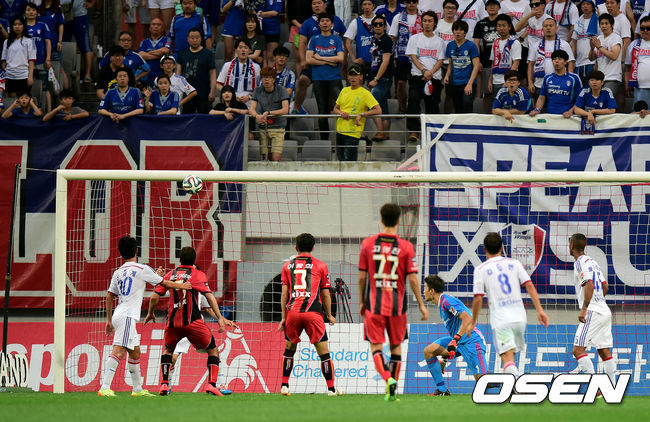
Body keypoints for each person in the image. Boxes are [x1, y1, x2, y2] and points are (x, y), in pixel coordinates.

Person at [97, 235, 190, 397]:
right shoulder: (142, 269)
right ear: (137, 251)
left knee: (135, 353)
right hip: (127, 316)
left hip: (119, 314)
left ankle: (137, 389)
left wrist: (108, 320)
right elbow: (164, 283)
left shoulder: (118, 272)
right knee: (119, 351)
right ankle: (104, 387)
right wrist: (182, 285)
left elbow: (110, 296)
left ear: (121, 253)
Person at [358, 203, 429, 402]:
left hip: (374, 305)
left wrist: (362, 301)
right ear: (399, 221)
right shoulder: (406, 247)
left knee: (376, 347)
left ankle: (387, 378)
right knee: (396, 346)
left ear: (381, 220)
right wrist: (421, 304)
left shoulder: (367, 244)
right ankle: (393, 390)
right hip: (398, 306)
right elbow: (413, 279)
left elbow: (362, 278)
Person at [145, 246, 236, 396]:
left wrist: (150, 312)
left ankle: (164, 384)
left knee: (168, 351)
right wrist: (220, 319)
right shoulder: (198, 275)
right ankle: (212, 385)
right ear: (194, 260)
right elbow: (209, 297)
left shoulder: (170, 274)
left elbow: (155, 296)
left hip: (173, 323)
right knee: (213, 350)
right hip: (193, 323)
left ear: (179, 259)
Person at [470, 232, 549, 378]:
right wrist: (540, 310)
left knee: (507, 357)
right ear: (502, 248)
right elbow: (529, 285)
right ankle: (514, 384)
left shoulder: (481, 269)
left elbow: (478, 299)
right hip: (520, 318)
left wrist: (473, 322)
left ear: (484, 249)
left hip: (501, 319)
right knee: (510, 356)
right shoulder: (515, 263)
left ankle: (517, 386)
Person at [278, 233, 342, 397]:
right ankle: (331, 389)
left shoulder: (287, 266)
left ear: (296, 248)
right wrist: (329, 315)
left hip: (293, 313)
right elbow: (326, 294)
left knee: (289, 350)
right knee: (324, 353)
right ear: (313, 248)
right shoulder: (320, 265)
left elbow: (284, 294)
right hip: (313, 313)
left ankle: (284, 386)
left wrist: (284, 317)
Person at [423, 275, 489, 396]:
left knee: (483, 382)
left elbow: (467, 318)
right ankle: (442, 390)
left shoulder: (446, 301)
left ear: (432, 291)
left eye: (425, 288)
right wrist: (444, 358)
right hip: (459, 342)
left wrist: (455, 340)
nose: (423, 291)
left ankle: (511, 386)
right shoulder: (442, 304)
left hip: (471, 341)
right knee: (429, 351)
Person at [568, 233, 617, 385]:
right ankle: (612, 388)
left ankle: (594, 387)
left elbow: (590, 284)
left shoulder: (579, 263)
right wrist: (599, 301)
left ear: (571, 246)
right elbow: (605, 286)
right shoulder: (593, 262)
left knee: (578, 350)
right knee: (604, 351)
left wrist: (585, 308)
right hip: (604, 310)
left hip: (593, 311)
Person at [292, 0, 347, 114]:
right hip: (314, 63)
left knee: (334, 89)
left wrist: (344, 58)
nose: (316, 6)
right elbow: (302, 42)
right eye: (314, 4)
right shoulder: (308, 23)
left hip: (333, 64)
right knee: (302, 80)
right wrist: (303, 60)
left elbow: (344, 39)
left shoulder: (336, 20)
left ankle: (334, 109)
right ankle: (296, 108)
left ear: (325, 4)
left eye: (319, 3)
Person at [406, 11, 446, 143]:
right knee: (413, 101)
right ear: (421, 23)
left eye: (430, 21)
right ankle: (414, 130)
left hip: (434, 78)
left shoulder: (440, 41)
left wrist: (430, 72)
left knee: (433, 105)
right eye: (425, 21)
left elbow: (440, 60)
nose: (427, 23)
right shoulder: (414, 38)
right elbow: (413, 57)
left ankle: (432, 132)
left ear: (434, 23)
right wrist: (424, 71)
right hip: (417, 76)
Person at [306, 12, 345, 140]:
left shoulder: (337, 39)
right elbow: (309, 60)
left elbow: (340, 58)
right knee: (322, 111)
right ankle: (324, 141)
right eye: (322, 21)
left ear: (332, 24)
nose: (325, 23)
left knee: (342, 108)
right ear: (319, 24)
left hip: (334, 79)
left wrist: (320, 57)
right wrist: (329, 61)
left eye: (327, 21)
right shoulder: (314, 39)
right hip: (318, 79)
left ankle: (343, 137)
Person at [333, 64, 381, 161]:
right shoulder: (344, 90)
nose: (353, 78)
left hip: (353, 133)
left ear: (361, 77)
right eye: (351, 75)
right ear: (347, 76)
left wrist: (362, 114)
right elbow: (335, 109)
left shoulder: (365, 93)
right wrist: (341, 113)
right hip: (339, 131)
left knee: (349, 162)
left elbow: (378, 110)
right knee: (340, 162)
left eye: (355, 75)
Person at [250, 66, 289, 161]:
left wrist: (269, 113)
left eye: (269, 77)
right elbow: (251, 109)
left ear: (274, 79)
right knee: (265, 158)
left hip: (278, 127)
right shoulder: (257, 90)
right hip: (263, 127)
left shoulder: (281, 90)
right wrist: (257, 116)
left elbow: (285, 110)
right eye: (264, 77)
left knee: (275, 158)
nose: (266, 80)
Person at [527, 18, 574, 97]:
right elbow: (531, 64)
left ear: (556, 28)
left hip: (559, 85)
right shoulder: (536, 45)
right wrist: (530, 82)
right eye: (545, 26)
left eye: (551, 26)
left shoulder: (564, 44)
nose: (548, 28)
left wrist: (569, 80)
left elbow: (570, 63)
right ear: (542, 29)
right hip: (539, 84)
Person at [389, 0, 422, 114]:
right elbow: (393, 38)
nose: (411, 4)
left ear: (418, 2)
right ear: (405, 2)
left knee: (415, 85)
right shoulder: (398, 17)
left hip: (419, 57)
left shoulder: (423, 17)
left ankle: (414, 109)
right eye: (408, 1)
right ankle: (402, 107)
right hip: (402, 55)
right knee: (400, 83)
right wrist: (393, 56)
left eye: (414, 1)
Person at [530, 49, 582, 116]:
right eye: (554, 59)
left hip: (567, 116)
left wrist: (571, 111)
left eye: (560, 59)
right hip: (550, 115)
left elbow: (579, 99)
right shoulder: (547, 78)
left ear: (565, 62)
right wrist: (537, 109)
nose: (556, 61)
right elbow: (542, 97)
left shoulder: (574, 78)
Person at [589, 13, 623, 112]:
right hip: (600, 78)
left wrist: (599, 47)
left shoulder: (616, 38)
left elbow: (614, 56)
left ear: (612, 24)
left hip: (612, 77)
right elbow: (591, 58)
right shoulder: (599, 38)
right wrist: (592, 49)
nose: (604, 26)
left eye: (606, 23)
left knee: (605, 104)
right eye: (602, 23)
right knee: (598, 104)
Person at [444, 19, 480, 113]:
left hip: (468, 81)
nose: (458, 32)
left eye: (461, 30)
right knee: (457, 108)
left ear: (465, 32)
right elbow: (450, 64)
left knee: (467, 103)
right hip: (455, 82)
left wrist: (470, 84)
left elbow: (476, 66)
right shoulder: (450, 45)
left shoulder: (471, 46)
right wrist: (447, 75)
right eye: (456, 30)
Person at [177, 28, 216, 113]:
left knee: (204, 118)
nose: (195, 40)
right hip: (188, 93)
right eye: (192, 38)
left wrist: (212, 91)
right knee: (187, 118)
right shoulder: (182, 53)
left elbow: (213, 74)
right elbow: (178, 74)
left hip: (204, 92)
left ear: (201, 39)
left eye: (197, 37)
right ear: (188, 39)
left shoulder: (208, 54)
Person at [368, 14, 393, 142]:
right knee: (382, 106)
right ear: (372, 27)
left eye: (380, 24)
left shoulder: (386, 40)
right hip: (376, 76)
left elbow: (386, 61)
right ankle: (385, 133)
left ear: (384, 27)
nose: (378, 26)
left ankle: (380, 131)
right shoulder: (375, 40)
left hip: (383, 78)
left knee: (372, 102)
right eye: (375, 24)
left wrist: (376, 79)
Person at [474, 0, 500, 113]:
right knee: (487, 92)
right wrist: (477, 61)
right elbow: (476, 43)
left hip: (502, 63)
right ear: (485, 8)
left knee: (503, 92)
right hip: (486, 61)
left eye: (494, 5)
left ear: (499, 7)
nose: (492, 7)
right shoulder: (481, 23)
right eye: (489, 5)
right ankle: (487, 118)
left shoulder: (503, 21)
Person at [216, 37, 261, 105]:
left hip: (249, 104)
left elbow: (260, 87)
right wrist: (231, 95)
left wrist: (249, 96)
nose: (243, 50)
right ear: (236, 50)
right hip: (231, 103)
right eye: (240, 47)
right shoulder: (227, 65)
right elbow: (218, 84)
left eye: (246, 48)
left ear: (249, 51)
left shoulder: (256, 67)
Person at [24, 2, 51, 111]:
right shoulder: (21, 26)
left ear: (37, 12)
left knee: (45, 88)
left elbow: (48, 42)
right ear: (24, 12)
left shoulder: (42, 25)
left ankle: (49, 111)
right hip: (25, 64)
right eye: (28, 10)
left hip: (41, 62)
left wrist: (48, 58)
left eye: (33, 10)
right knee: (25, 89)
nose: (31, 12)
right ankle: (28, 111)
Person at [60, 0, 96, 84]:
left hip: (80, 16)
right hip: (62, 15)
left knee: (86, 46)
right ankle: (63, 73)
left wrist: (91, 3)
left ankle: (88, 74)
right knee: (62, 45)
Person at [1, 16, 35, 98]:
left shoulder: (29, 41)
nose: (17, 27)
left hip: (23, 75)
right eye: (15, 24)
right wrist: (6, 71)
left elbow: (31, 60)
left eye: (19, 24)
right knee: (12, 99)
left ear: (23, 26)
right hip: (10, 76)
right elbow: (4, 60)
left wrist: (30, 76)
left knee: (23, 99)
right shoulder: (7, 42)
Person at [344, 0, 379, 78]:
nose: (367, 7)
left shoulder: (379, 20)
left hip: (377, 61)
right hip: (361, 62)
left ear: (373, 6)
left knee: (374, 84)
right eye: (365, 4)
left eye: (369, 4)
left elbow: (390, 37)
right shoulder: (356, 22)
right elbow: (348, 42)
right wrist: (353, 58)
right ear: (362, 7)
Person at [489, 14, 521, 98]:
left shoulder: (515, 42)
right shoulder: (495, 42)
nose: (501, 28)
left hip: (509, 83)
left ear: (509, 27)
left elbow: (516, 63)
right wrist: (490, 81)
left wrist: (508, 81)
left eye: (504, 25)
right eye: (499, 26)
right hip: (495, 81)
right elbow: (493, 63)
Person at [571, 0, 598, 86]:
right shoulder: (578, 21)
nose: (585, 6)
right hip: (579, 63)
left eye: (588, 4)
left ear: (592, 6)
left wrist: (597, 61)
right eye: (583, 4)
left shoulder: (598, 21)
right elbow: (574, 42)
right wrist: (573, 60)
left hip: (591, 62)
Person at [625, 15, 650, 105]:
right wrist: (627, 84)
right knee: (639, 112)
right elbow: (627, 67)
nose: (645, 30)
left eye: (648, 28)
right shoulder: (633, 45)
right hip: (640, 87)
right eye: (642, 28)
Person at [138, 18, 172, 83]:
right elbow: (141, 55)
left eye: (158, 25)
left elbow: (165, 51)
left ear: (162, 28)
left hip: (162, 74)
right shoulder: (144, 42)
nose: (156, 26)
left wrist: (149, 52)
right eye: (153, 24)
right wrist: (160, 55)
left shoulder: (167, 39)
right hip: (147, 74)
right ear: (150, 28)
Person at [286, 0, 313, 75]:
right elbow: (290, 15)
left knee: (310, 57)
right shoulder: (291, 1)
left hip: (310, 28)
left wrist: (307, 26)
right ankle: (299, 79)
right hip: (296, 28)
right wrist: (300, 26)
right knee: (299, 58)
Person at [258, 0, 283, 66]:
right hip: (258, 29)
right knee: (262, 55)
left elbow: (275, 12)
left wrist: (258, 14)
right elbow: (251, 9)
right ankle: (263, 72)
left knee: (272, 56)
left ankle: (271, 72)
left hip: (272, 30)